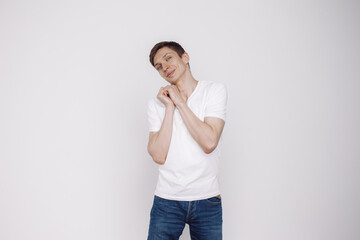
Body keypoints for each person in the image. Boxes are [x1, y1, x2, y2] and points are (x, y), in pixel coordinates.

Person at [147, 41, 227, 240]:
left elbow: (209, 142)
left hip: (207, 200)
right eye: (159, 66)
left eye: (168, 58)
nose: (164, 67)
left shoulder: (214, 91)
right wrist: (168, 107)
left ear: (185, 57)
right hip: (167, 201)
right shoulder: (157, 103)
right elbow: (158, 155)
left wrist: (180, 102)